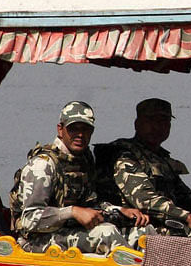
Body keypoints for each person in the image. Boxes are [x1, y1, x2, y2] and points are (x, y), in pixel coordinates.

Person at [10, 101, 149, 255]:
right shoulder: (43, 165)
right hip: (35, 242)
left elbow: (91, 203)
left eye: (86, 129)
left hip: (70, 231)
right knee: (106, 233)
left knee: (142, 231)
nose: (80, 135)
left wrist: (119, 210)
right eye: (73, 129)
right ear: (60, 129)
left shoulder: (84, 159)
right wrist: (72, 212)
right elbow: (29, 220)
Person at [106, 98, 191, 239]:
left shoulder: (160, 158)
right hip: (132, 226)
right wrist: (188, 217)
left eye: (163, 121)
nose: (158, 127)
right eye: (152, 121)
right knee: (190, 234)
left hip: (161, 223)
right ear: (137, 124)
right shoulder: (124, 155)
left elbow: (183, 194)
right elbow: (145, 200)